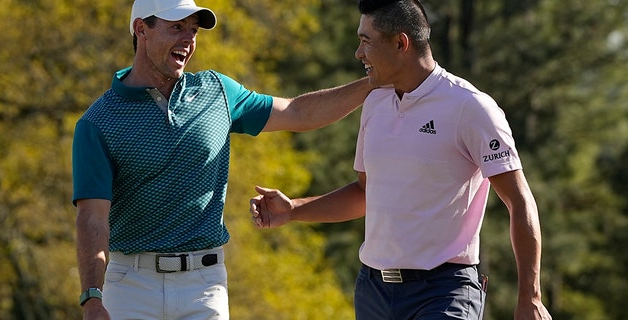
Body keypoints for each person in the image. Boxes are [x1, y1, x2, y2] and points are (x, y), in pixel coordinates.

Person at [250, 0, 552, 319]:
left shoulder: (471, 107)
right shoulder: (375, 102)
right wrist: (294, 210)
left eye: (366, 41)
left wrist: (529, 296)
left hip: (443, 293)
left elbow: (520, 201)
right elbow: (366, 193)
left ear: (400, 43)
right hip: (373, 292)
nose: (358, 53)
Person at [71, 0, 373, 319]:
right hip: (129, 286)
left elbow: (297, 112)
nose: (188, 40)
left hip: (203, 286)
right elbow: (92, 219)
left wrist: (371, 84)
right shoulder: (98, 123)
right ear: (141, 29)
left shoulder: (217, 91)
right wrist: (92, 297)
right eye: (176, 27)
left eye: (193, 30)